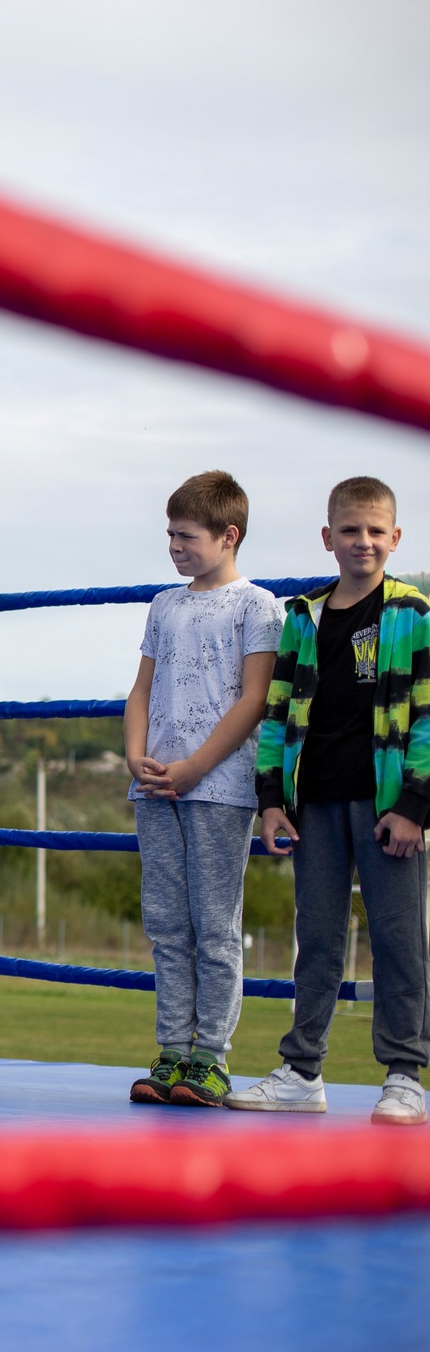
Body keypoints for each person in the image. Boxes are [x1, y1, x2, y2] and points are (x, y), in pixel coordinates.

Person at [230, 476, 430, 1126]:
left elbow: (428, 717)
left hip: (387, 805)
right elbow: (276, 713)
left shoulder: (414, 613)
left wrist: (416, 806)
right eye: (350, 530)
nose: (362, 541)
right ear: (328, 538)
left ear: (395, 538)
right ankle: (302, 1070)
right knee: (314, 937)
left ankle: (404, 1074)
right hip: (313, 803)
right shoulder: (303, 615)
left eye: (375, 531)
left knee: (398, 940)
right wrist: (271, 800)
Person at [121, 472, 279, 1107]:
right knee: (166, 924)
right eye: (169, 533)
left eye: (185, 535)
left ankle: (211, 1058)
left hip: (219, 789)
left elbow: (254, 698)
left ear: (228, 536)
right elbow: (141, 690)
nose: (173, 545)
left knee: (215, 925)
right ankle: (172, 1053)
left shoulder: (258, 605)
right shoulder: (165, 604)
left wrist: (196, 767)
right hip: (155, 787)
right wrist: (136, 755)